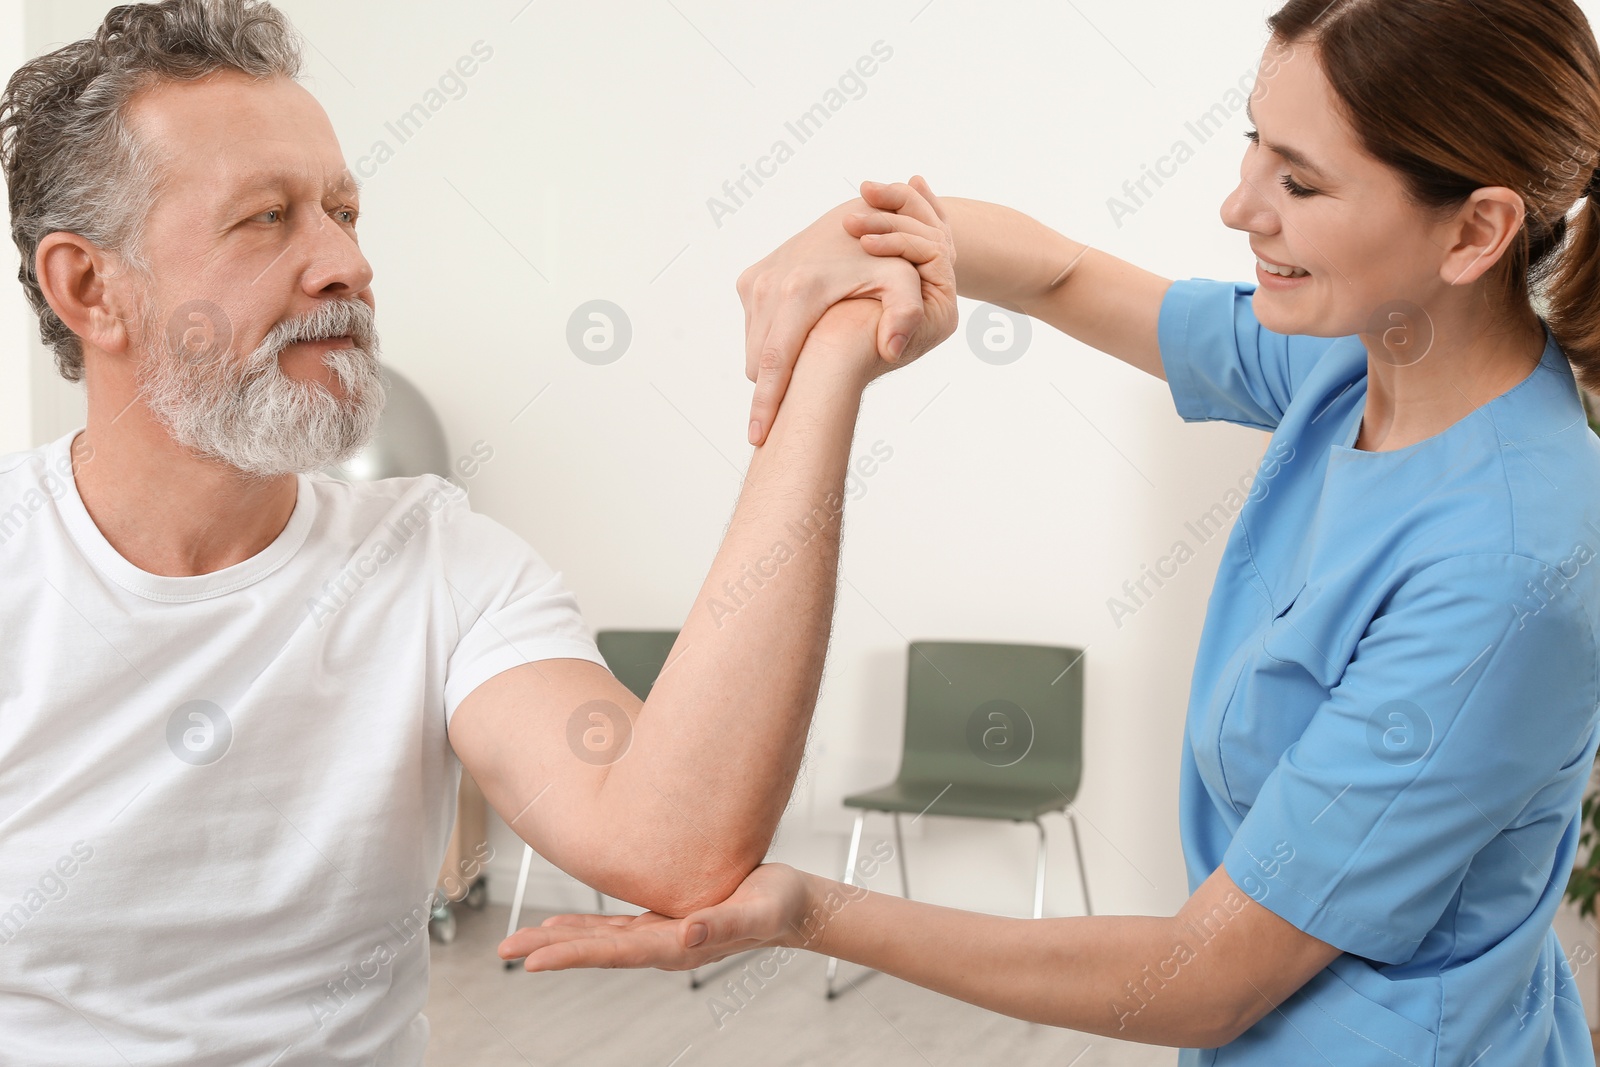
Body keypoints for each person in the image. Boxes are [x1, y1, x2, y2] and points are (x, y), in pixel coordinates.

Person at [497, 0, 1600, 1062]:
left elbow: (1204, 975)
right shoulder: (1359, 357)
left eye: (1300, 182)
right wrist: (855, 236)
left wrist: (802, 907)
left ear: (1476, 229)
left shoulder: (1506, 570)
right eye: (1254, 145)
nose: (1238, 205)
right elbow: (1063, 273)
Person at [0, 1, 953, 1063]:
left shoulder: (440, 564)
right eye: (267, 218)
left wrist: (827, 367)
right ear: (90, 287)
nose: (345, 266)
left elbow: (671, 843)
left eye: (344, 213)